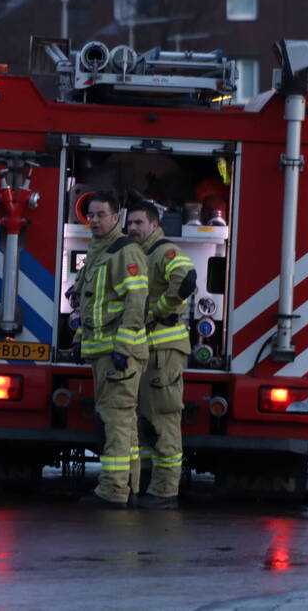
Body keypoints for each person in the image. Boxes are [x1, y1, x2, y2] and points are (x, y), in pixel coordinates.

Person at [73, 191, 149, 508]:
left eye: (101, 215)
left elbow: (136, 301)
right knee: (123, 423)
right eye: (90, 215)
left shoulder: (124, 252)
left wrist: (123, 346)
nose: (94, 220)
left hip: (118, 355)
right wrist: (79, 338)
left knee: (116, 421)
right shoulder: (98, 252)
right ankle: (127, 487)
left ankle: (113, 491)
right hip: (101, 353)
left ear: (115, 217)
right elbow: (91, 303)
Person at [125, 201, 196, 509]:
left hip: (163, 352)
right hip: (145, 352)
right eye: (129, 223)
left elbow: (187, 279)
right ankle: (145, 486)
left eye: (139, 222)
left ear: (154, 225)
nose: (133, 228)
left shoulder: (164, 252)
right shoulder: (140, 254)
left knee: (163, 420)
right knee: (142, 423)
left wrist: (159, 310)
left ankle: (165, 491)